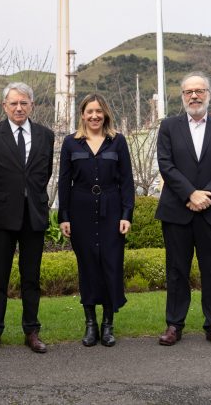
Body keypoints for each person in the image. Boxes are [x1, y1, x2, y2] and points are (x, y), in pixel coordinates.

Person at [155, 72, 211, 349]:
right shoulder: (168, 127)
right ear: (182, 96)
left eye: (199, 91)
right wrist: (190, 193)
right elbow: (166, 165)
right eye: (189, 92)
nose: (194, 96)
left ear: (209, 95)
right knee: (176, 270)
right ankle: (174, 325)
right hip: (178, 211)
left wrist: (204, 196)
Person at [0, 82, 55, 354]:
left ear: (31, 105)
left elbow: (44, 172)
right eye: (13, 103)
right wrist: (1, 197)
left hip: (33, 215)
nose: (19, 107)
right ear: (4, 106)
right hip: (1, 216)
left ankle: (31, 330)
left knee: (31, 276)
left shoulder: (46, 135)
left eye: (24, 103)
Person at [57, 93, 135, 347]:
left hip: (112, 211)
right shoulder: (71, 143)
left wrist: (126, 215)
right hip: (80, 212)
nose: (94, 116)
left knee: (111, 266)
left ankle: (108, 324)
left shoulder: (118, 142)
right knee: (88, 266)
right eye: (89, 111)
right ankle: (90, 324)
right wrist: (64, 216)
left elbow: (127, 183)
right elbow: (63, 183)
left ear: (105, 114)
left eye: (98, 111)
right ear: (82, 114)